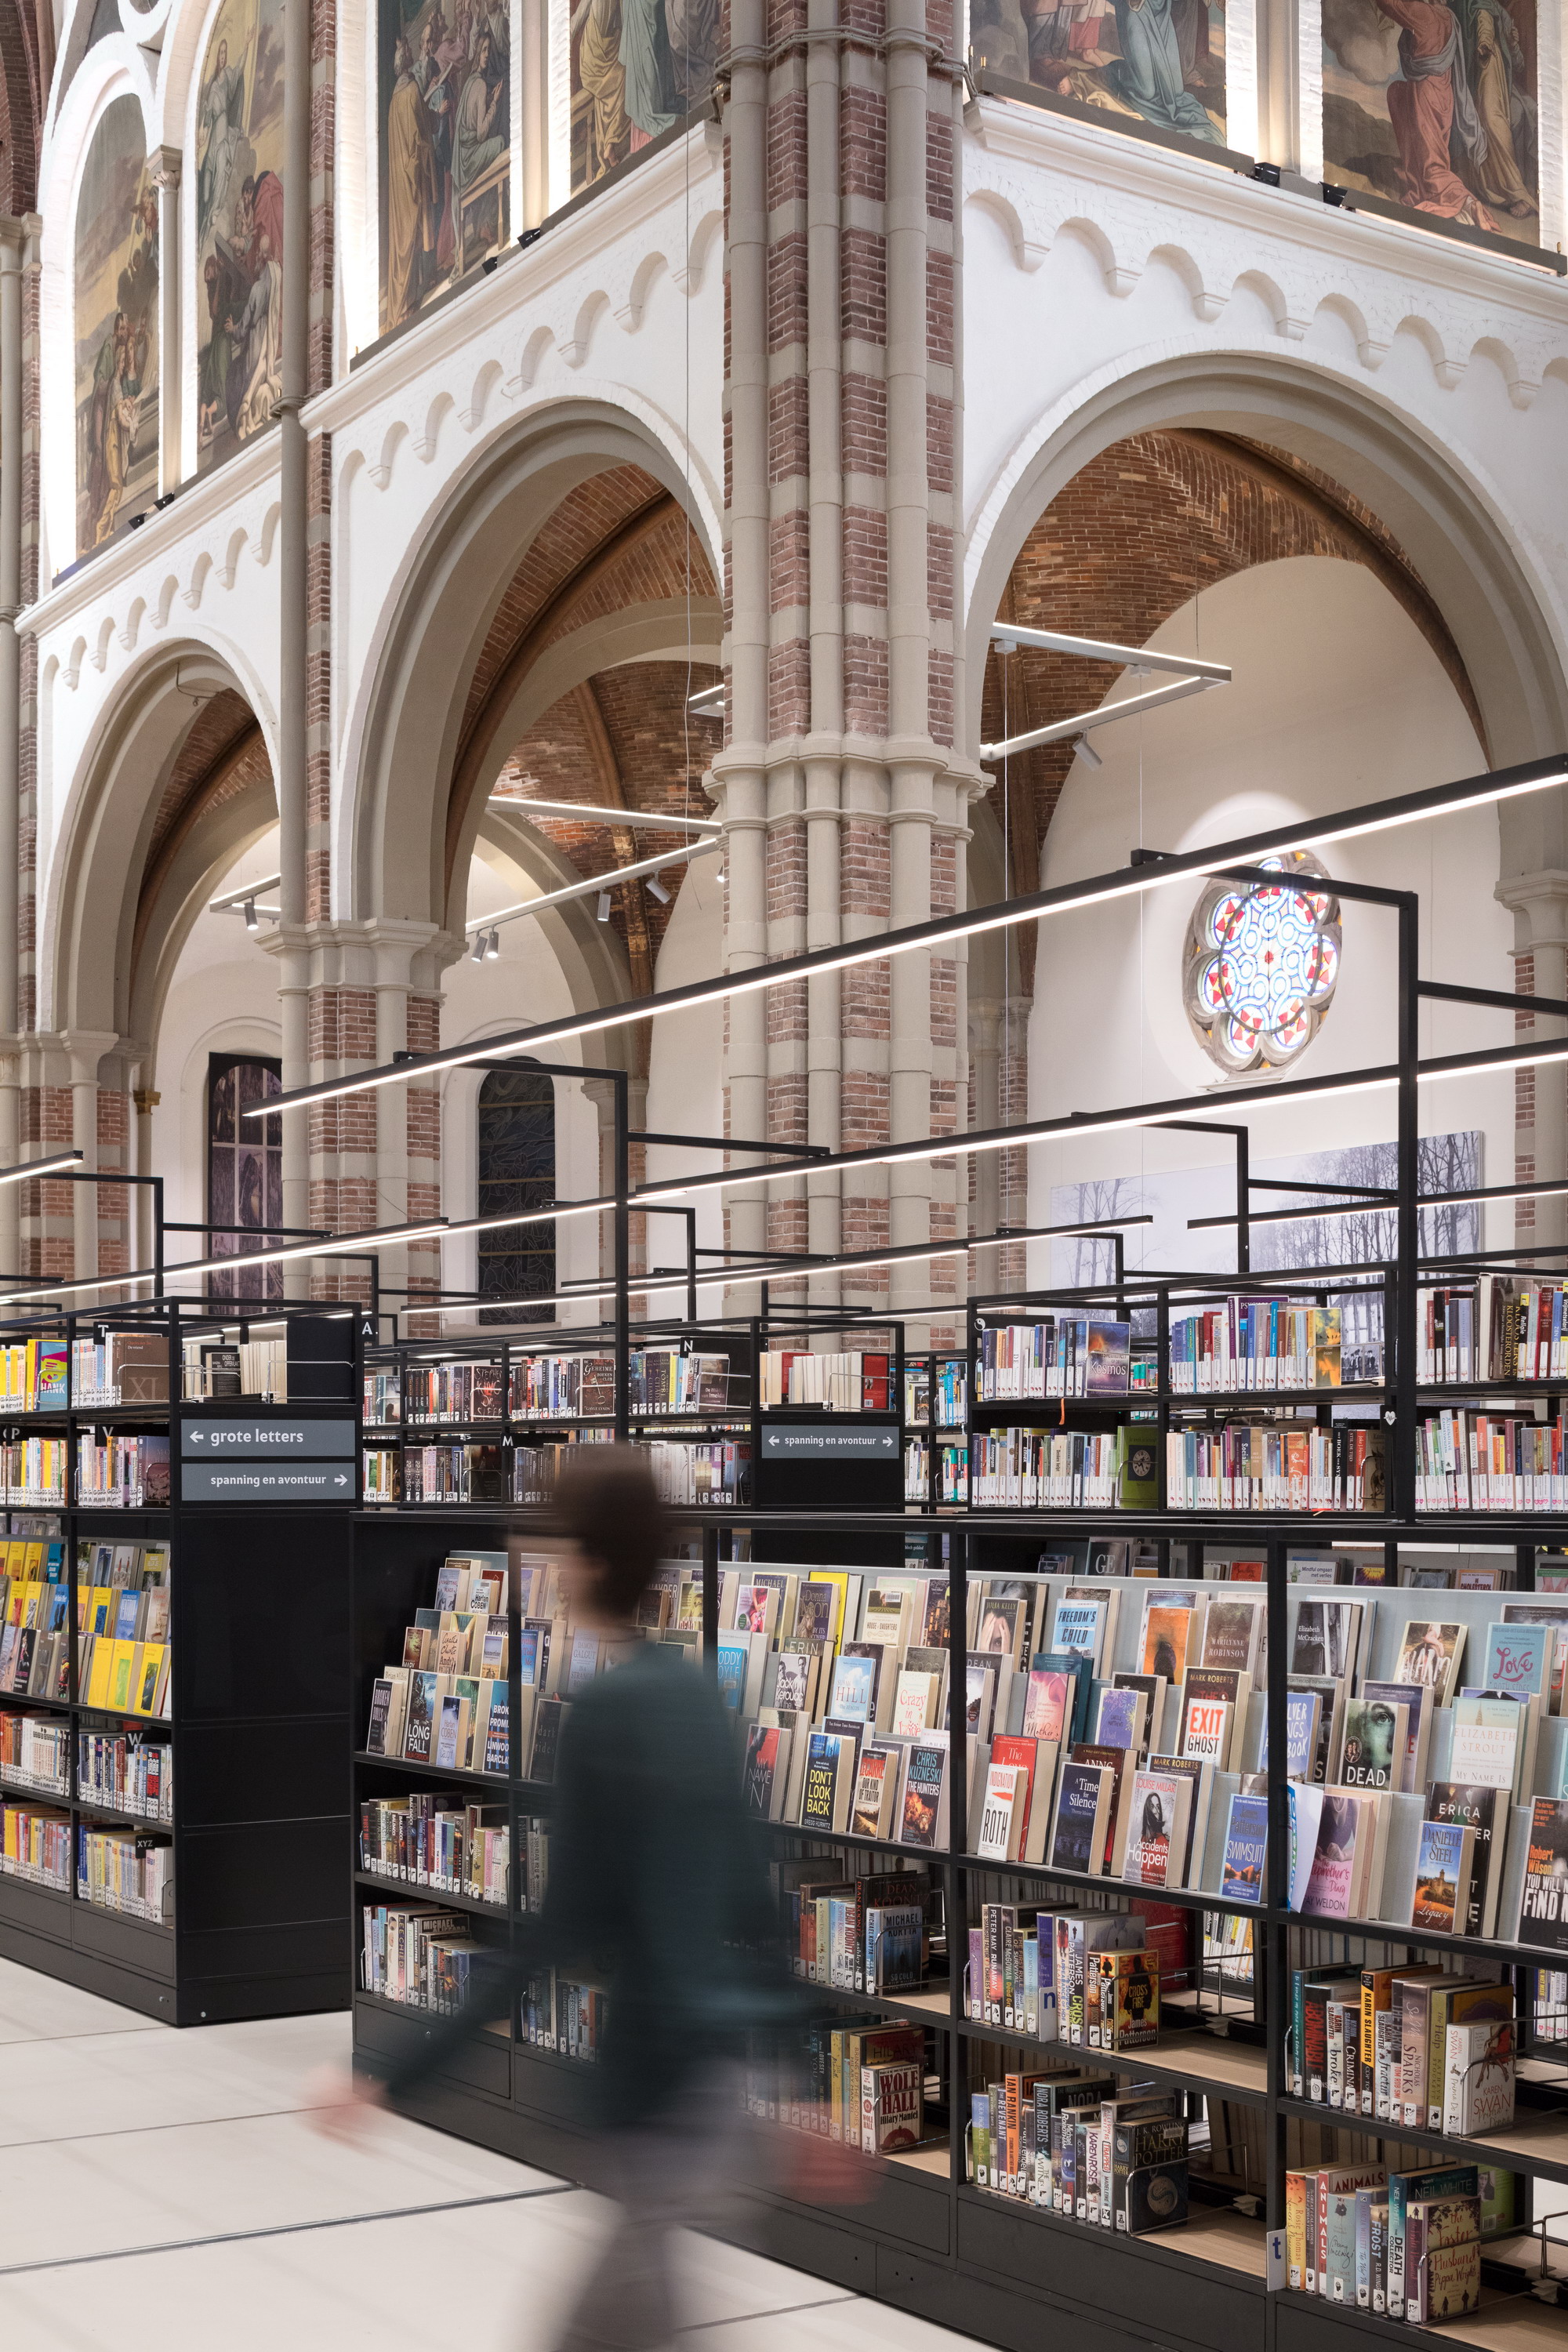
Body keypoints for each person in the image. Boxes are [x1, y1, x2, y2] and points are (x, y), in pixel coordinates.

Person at [316, 1448, 814, 2350]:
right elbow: (755, 1893)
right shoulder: (696, 1693)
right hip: (717, 2077)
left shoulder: (606, 1711)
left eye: (544, 1541)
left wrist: (396, 2076)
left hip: (653, 2082)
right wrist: (802, 2082)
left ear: (582, 1560)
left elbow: (553, 1931)